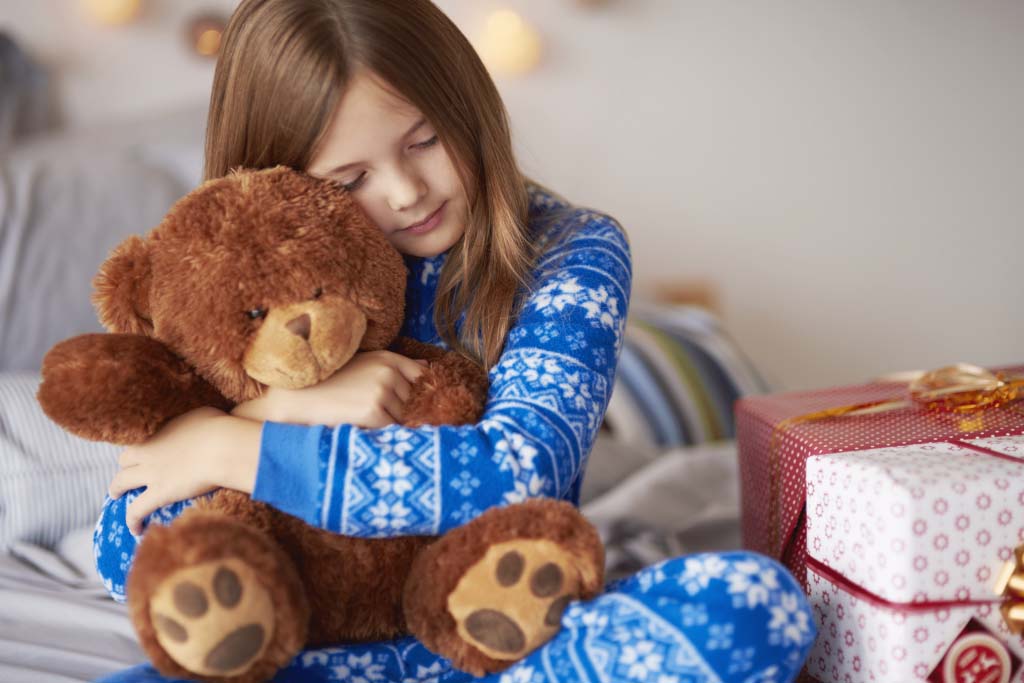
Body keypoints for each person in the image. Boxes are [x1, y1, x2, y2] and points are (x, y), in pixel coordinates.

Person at [93, 1, 815, 681]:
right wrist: (274, 409)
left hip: (505, 645)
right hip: (305, 654)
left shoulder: (571, 250)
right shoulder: (235, 292)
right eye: (350, 181)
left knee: (755, 604)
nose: (407, 190)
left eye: (425, 139)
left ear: (468, 104)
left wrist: (234, 447)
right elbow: (125, 552)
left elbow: (516, 472)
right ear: (274, 183)